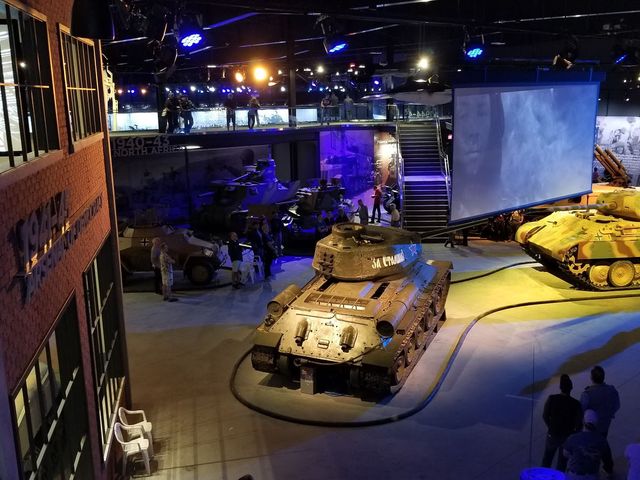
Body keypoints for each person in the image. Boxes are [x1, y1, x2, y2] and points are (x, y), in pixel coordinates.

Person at [541, 374, 583, 472]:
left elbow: (545, 416)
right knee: (562, 463)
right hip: (566, 437)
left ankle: (542, 475)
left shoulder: (552, 398)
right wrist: (572, 433)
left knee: (547, 459)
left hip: (553, 434)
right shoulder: (576, 404)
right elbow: (579, 424)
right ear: (571, 388)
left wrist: (550, 427)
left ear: (560, 387)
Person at [563, 409, 614, 480]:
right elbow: (608, 460)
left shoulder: (573, 438)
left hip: (574, 475)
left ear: (583, 421)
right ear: (596, 424)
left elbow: (565, 453)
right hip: (592, 476)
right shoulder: (602, 441)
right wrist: (609, 472)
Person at [580, 365, 620, 438]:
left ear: (591, 378)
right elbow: (617, 406)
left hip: (590, 428)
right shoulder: (612, 390)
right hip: (605, 425)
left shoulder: (587, 394)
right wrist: (608, 415)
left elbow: (580, 411)